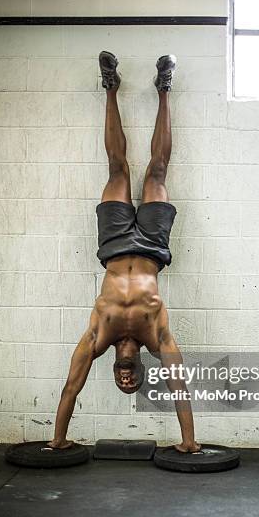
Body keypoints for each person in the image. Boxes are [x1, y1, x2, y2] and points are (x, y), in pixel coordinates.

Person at [47, 51, 200, 453]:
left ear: (114, 370)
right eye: (132, 382)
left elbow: (70, 387)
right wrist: (189, 443)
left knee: (117, 168)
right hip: (152, 246)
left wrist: (58, 440)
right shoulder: (158, 337)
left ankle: (110, 88)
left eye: (122, 382)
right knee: (158, 169)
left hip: (114, 245)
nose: (127, 381)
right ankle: (164, 90)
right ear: (141, 372)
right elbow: (179, 387)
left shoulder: (97, 337)